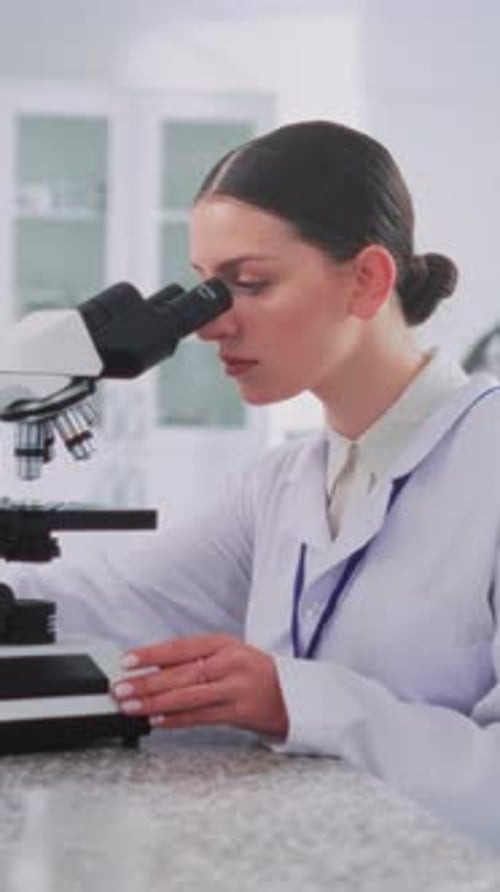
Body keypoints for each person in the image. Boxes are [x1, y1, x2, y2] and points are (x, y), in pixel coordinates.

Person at [6, 120, 500, 849]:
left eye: (250, 284)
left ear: (366, 279)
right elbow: (113, 598)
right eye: (206, 290)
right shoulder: (285, 483)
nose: (210, 327)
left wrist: (294, 699)